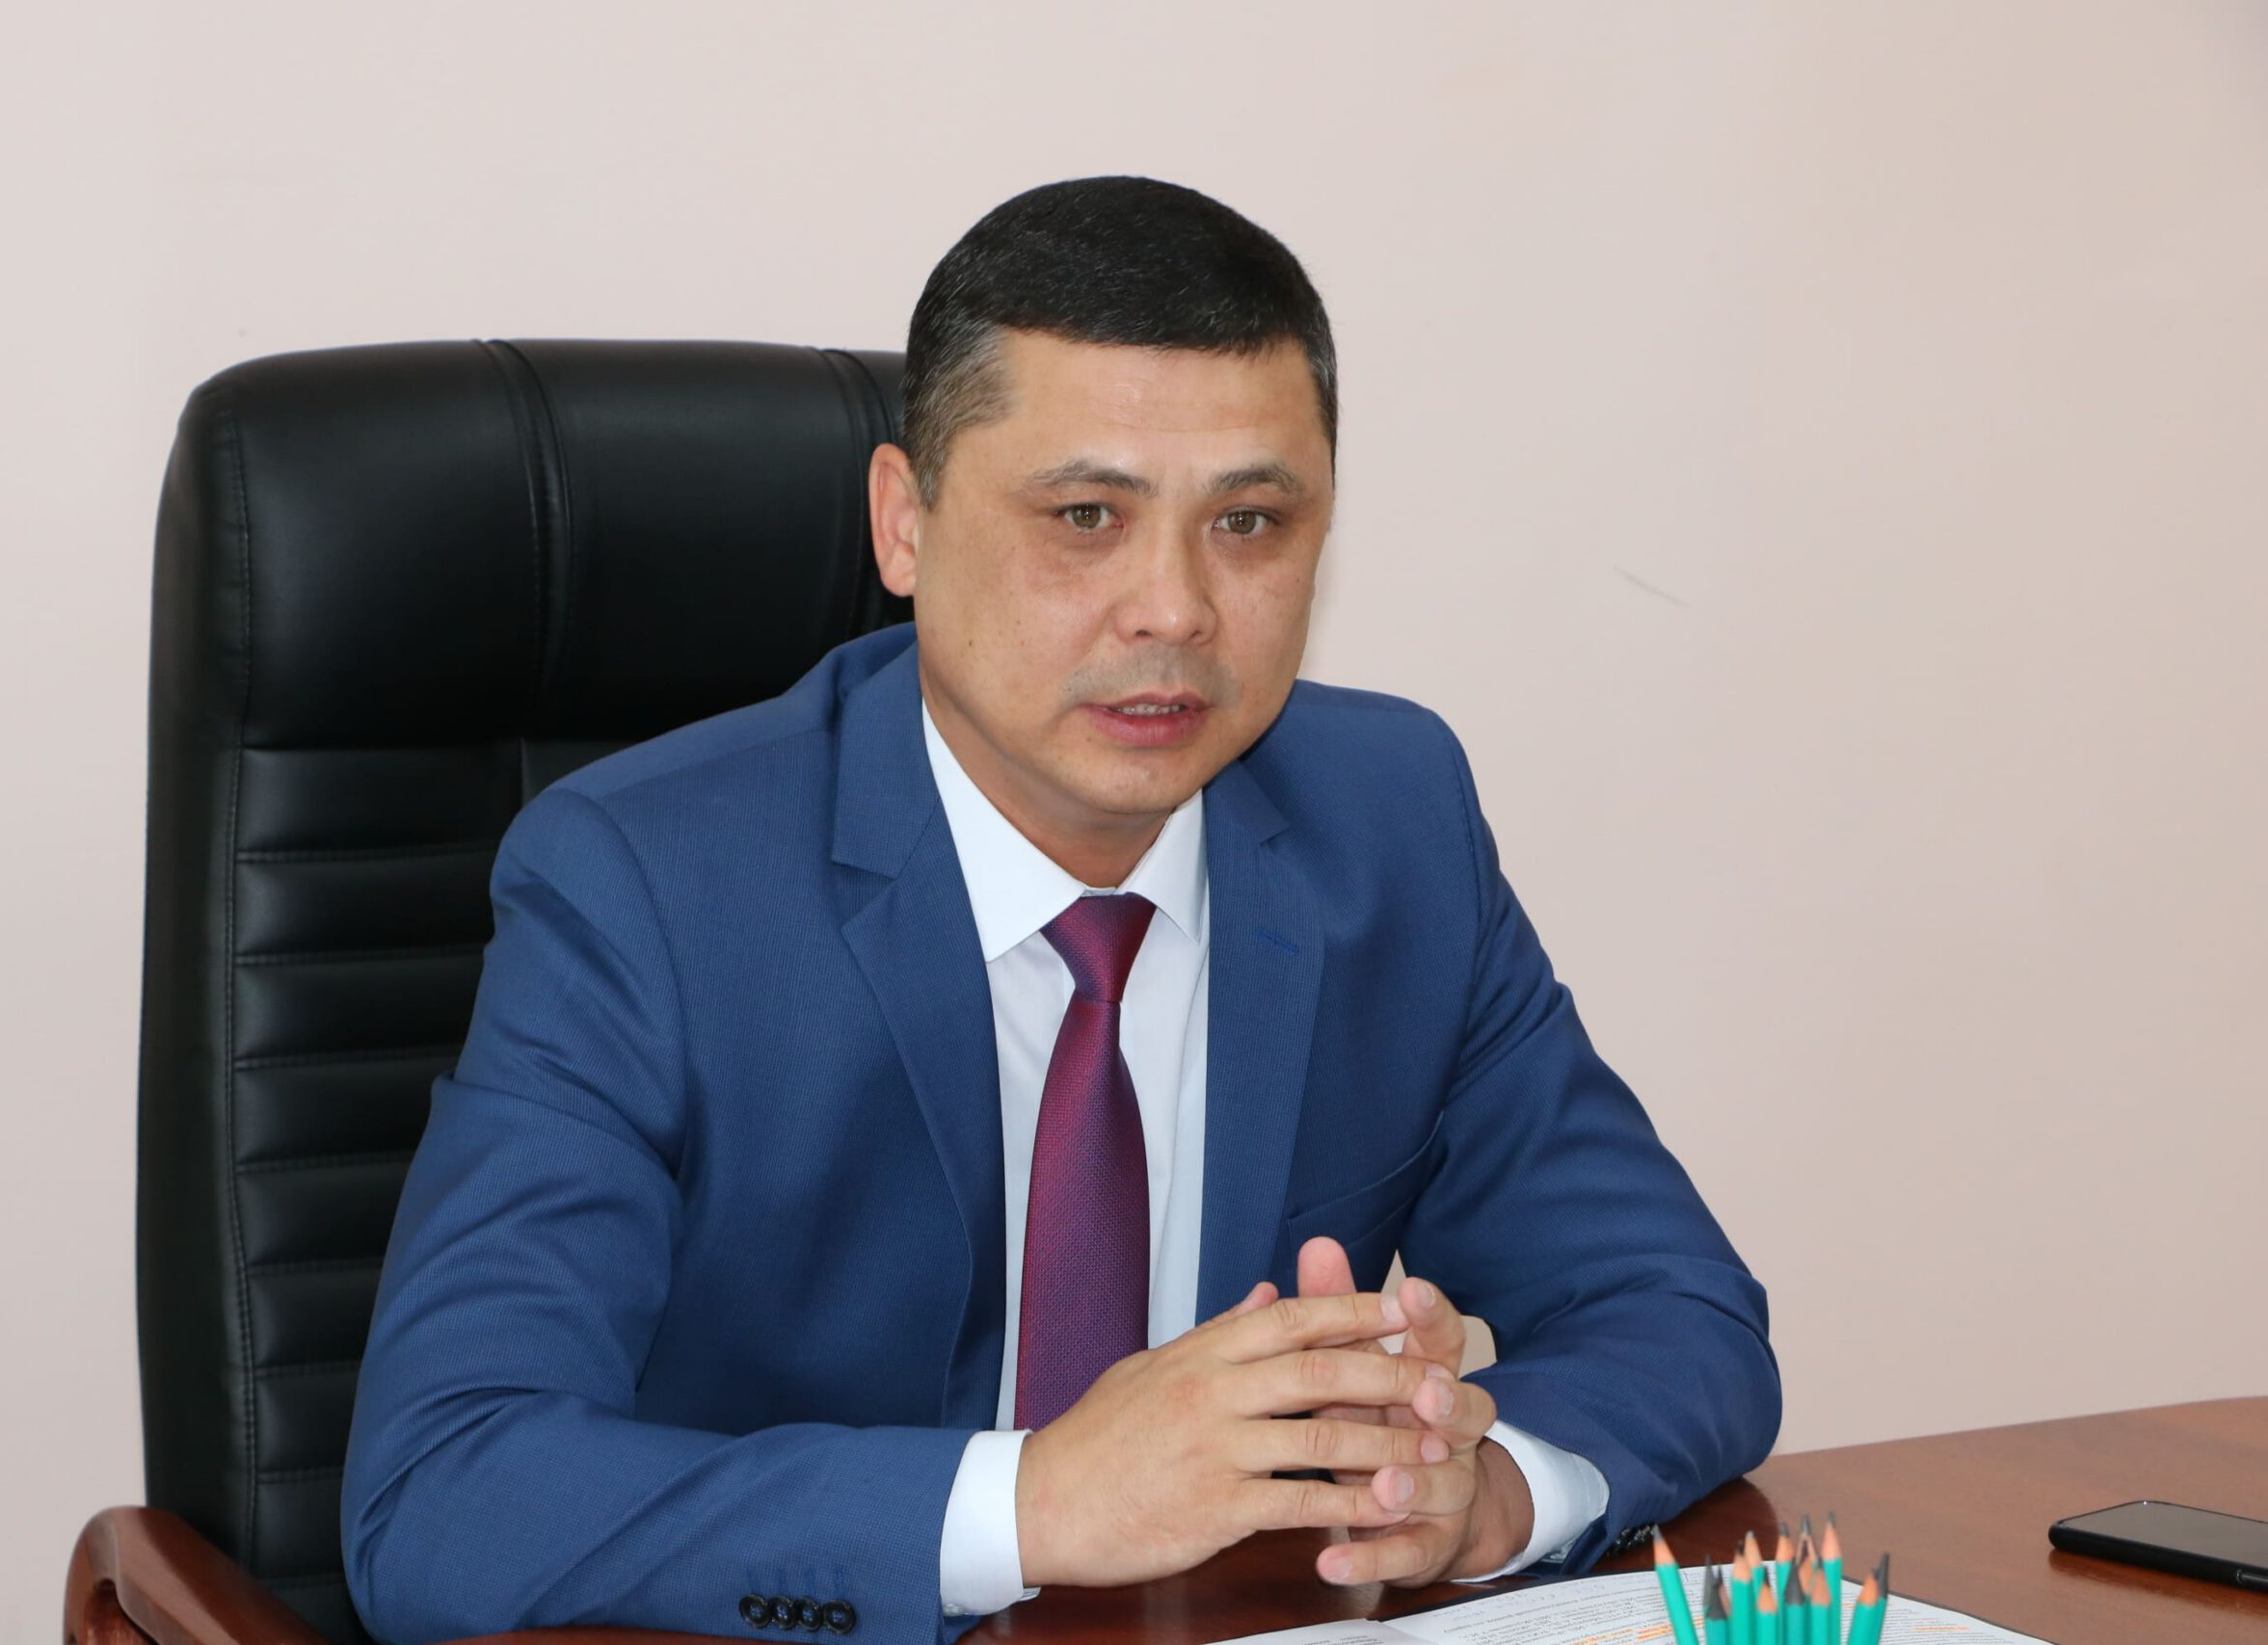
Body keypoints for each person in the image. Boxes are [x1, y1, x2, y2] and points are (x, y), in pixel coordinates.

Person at [341, 175, 1779, 1645]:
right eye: (1086, 516)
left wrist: (1486, 1493)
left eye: (1250, 521)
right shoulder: (644, 886)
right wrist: (1034, 1504)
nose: (1175, 608)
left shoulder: (1389, 823)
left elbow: (1676, 1311)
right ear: (904, 524)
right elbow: (443, 1497)